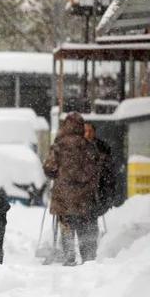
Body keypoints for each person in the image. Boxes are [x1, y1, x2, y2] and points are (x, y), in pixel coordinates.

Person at [43, 112, 99, 265]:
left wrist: (56, 173)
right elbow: (95, 169)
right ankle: (87, 258)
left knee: (67, 225)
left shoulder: (59, 145)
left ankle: (69, 256)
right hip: (84, 197)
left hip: (64, 196)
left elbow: (49, 167)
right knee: (83, 225)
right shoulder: (88, 146)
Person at [84, 122, 116, 218]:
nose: (88, 134)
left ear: (94, 132)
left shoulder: (102, 147)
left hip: (98, 187)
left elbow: (109, 170)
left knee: (92, 217)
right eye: (85, 131)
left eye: (90, 131)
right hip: (81, 192)